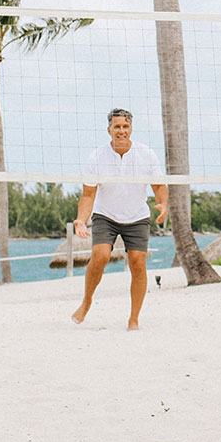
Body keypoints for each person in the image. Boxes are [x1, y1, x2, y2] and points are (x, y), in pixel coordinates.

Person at [71, 108, 167, 331]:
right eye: (117, 127)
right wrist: (80, 220)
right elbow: (88, 195)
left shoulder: (146, 154)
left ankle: (133, 319)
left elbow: (160, 186)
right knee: (101, 255)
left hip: (137, 215)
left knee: (137, 262)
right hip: (106, 214)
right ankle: (86, 302)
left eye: (125, 126)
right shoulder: (96, 156)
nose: (121, 131)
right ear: (109, 130)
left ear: (131, 128)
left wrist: (163, 204)